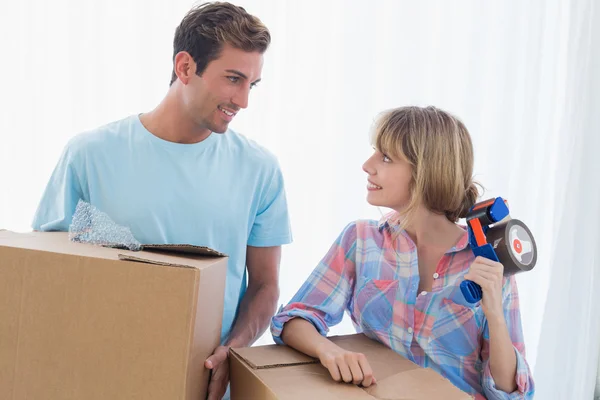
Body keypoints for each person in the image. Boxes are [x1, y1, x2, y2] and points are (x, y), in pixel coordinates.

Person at [32, 2, 292, 399]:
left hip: (203, 385)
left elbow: (265, 285)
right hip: (100, 376)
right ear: (186, 67)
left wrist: (233, 349)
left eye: (251, 85)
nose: (243, 101)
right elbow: (48, 274)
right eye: (233, 79)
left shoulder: (260, 170)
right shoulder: (91, 155)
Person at [270, 106, 534, 399]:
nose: (367, 165)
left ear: (426, 171)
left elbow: (511, 392)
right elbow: (295, 320)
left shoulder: (486, 263)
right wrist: (330, 351)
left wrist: (495, 315)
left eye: (385, 157)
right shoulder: (361, 240)